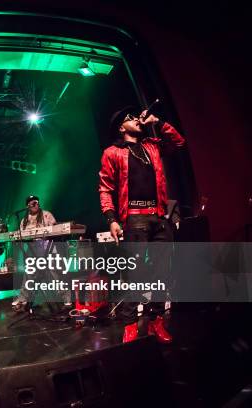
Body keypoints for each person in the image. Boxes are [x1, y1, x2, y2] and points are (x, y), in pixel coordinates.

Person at [99, 107, 185, 343]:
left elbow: (178, 143)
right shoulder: (112, 152)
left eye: (137, 116)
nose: (137, 119)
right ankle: (129, 325)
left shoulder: (152, 146)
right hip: (134, 218)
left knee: (161, 273)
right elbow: (105, 188)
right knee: (133, 276)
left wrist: (160, 121)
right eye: (131, 118)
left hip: (159, 216)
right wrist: (111, 219)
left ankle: (157, 321)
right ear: (120, 127)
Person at [11, 196, 71, 311]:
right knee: (29, 272)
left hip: (46, 246)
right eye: (33, 203)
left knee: (55, 273)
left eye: (37, 202)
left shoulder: (46, 214)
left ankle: (67, 300)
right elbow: (22, 234)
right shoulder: (24, 220)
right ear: (28, 206)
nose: (36, 204)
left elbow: (55, 229)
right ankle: (23, 299)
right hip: (32, 248)